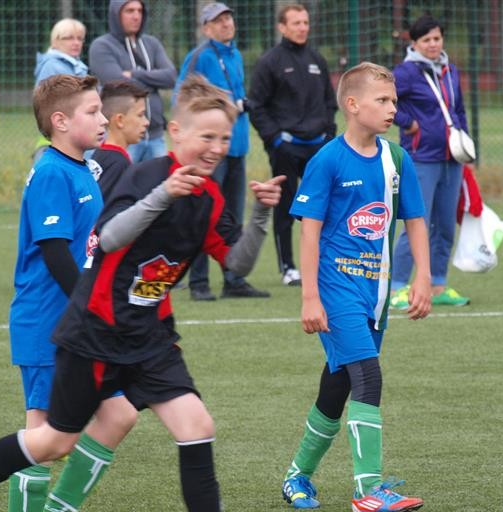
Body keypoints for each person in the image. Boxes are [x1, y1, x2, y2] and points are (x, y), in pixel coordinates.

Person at [0, 76, 282, 512]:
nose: (216, 148)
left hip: (148, 337)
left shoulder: (211, 196)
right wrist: (163, 194)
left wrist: (261, 212)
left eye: (224, 139)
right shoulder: (142, 175)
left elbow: (235, 264)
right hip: (94, 333)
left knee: (196, 425)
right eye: (207, 137)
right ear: (176, 132)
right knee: (52, 440)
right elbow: (107, 238)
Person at [1, 74, 139, 512]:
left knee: (119, 414)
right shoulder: (51, 173)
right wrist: (91, 306)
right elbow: (56, 253)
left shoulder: (83, 168)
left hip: (80, 324)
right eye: (92, 112)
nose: (103, 120)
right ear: (60, 121)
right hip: (48, 322)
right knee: (41, 431)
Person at [280, 62, 432, 512]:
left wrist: (422, 276)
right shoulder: (327, 160)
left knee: (339, 383)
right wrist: (310, 296)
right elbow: (309, 231)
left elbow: (415, 220)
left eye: (393, 101)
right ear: (352, 105)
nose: (392, 109)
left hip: (376, 292)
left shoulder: (396, 160)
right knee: (368, 374)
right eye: (382, 101)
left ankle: (297, 475)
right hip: (336, 289)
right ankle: (369, 491)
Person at [175, 2, 270, 301]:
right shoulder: (200, 56)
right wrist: (222, 106)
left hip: (236, 146)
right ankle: (198, 282)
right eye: (218, 20)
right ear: (206, 28)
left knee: (232, 217)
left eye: (228, 18)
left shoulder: (235, 54)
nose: (226, 23)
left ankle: (234, 279)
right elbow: (182, 96)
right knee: (203, 214)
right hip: (209, 152)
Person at [248, 3, 337, 287]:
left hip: (317, 148)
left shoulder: (317, 59)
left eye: (305, 22)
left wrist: (329, 135)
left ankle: (327, 263)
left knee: (325, 206)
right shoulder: (269, 61)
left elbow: (330, 102)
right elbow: (256, 106)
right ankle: (288, 267)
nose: (302, 28)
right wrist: (275, 140)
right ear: (282, 27)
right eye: (296, 23)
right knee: (287, 206)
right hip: (285, 148)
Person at [389, 14, 471, 310]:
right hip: (420, 158)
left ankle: (438, 284)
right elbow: (384, 100)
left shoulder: (450, 70)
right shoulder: (405, 72)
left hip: (452, 158)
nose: (433, 44)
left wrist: (466, 146)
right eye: (426, 40)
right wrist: (409, 123)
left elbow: (458, 110)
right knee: (416, 223)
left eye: (437, 38)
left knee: (445, 225)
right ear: (414, 43)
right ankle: (397, 287)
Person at [89, 0, 177, 163]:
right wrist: (154, 80)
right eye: (129, 11)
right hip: (123, 139)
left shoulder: (152, 43)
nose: (136, 16)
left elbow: (171, 77)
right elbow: (116, 85)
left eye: (139, 11)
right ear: (116, 14)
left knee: (159, 179)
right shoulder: (102, 46)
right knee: (122, 179)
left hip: (156, 136)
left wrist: (135, 74)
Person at [32, 19, 91, 164]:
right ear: (55, 41)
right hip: (59, 139)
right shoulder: (52, 66)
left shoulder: (77, 66)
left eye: (80, 38)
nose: (76, 43)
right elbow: (47, 106)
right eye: (69, 38)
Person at [89, 79, 150, 199]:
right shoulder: (119, 164)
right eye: (140, 115)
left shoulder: (101, 153)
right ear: (120, 120)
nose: (146, 122)